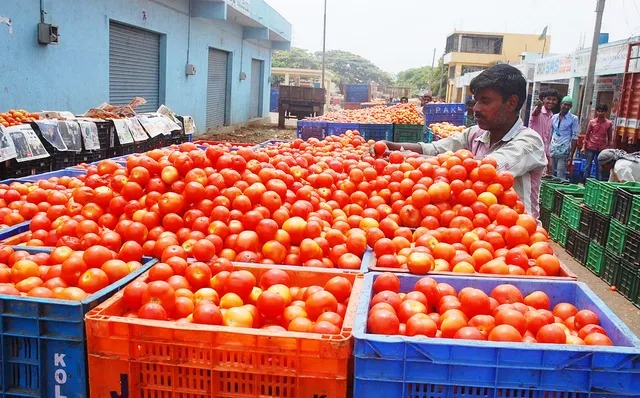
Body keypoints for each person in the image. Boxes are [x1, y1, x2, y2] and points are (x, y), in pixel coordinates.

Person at [377, 64, 547, 218]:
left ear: (511, 103)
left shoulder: (529, 142)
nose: (476, 108)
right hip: (480, 227)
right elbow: (434, 149)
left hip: (518, 234)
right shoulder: (476, 133)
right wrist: (393, 146)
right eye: (476, 101)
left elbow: (485, 170)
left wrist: (407, 157)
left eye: (485, 101)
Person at [549, 96, 580, 180]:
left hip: (564, 150)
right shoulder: (554, 117)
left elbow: (574, 137)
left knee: (560, 173)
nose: (566, 107)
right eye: (565, 104)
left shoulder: (573, 119)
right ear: (561, 104)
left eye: (569, 105)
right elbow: (550, 133)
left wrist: (571, 154)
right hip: (552, 148)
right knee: (549, 172)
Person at [529, 89, 559, 174]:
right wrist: (539, 106)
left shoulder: (551, 116)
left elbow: (547, 139)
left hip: (543, 154)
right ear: (543, 99)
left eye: (554, 99)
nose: (551, 102)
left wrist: (548, 159)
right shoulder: (538, 111)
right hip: (532, 150)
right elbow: (536, 113)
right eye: (548, 99)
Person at [581, 104, 613, 181]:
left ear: (605, 112)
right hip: (591, 146)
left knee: (600, 168)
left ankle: (598, 183)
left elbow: (609, 137)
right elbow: (587, 135)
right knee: (587, 166)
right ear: (596, 112)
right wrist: (583, 147)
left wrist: (609, 148)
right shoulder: (592, 122)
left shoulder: (609, 123)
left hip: (602, 148)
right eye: (599, 111)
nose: (600, 113)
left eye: (602, 111)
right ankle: (585, 183)